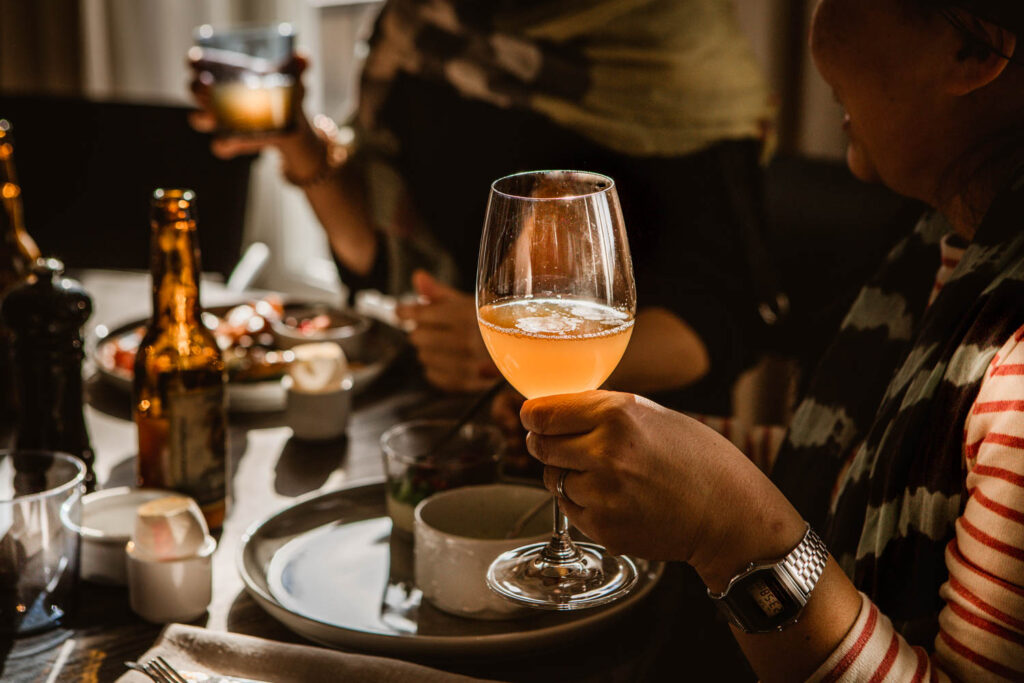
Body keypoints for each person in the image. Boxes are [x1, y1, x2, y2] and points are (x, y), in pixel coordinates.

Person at [518, 1, 1024, 680]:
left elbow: (764, 515)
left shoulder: (1014, 368)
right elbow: (851, 471)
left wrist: (730, 532)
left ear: (976, 49)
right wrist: (636, 449)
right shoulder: (949, 248)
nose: (816, 33)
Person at [189, 0, 779, 414]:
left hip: (640, 449)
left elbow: (719, 319)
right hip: (459, 422)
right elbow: (377, 250)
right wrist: (296, 139)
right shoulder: (426, 20)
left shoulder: (669, 38)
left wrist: (513, 355)